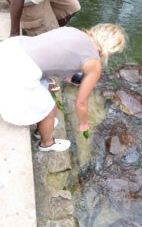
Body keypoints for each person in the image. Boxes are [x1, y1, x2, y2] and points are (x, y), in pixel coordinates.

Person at [0, 23, 126, 152]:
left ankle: (41, 129)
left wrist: (69, 77)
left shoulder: (73, 31)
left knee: (46, 92)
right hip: (19, 69)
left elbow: (54, 55)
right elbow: (81, 103)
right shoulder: (94, 64)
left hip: (10, 48)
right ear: (110, 49)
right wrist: (83, 124)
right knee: (50, 109)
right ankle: (47, 143)